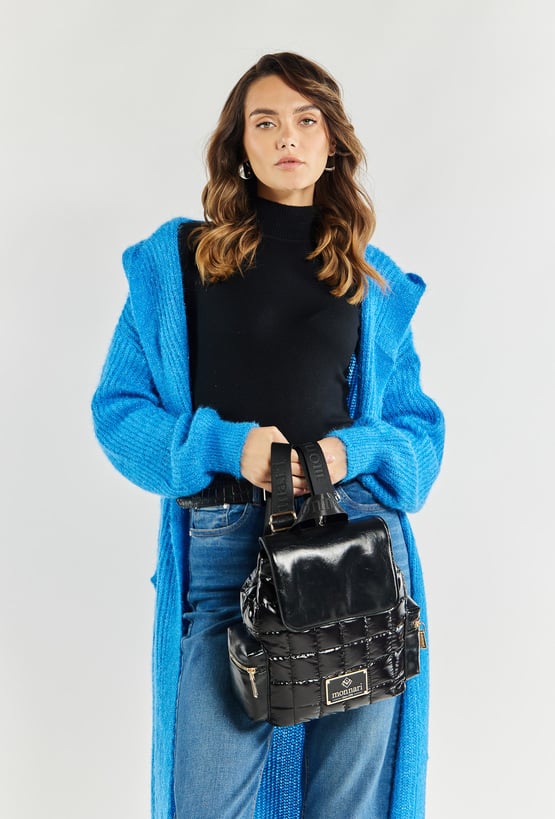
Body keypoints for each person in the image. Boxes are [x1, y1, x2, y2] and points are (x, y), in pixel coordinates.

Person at [92, 52, 444, 819]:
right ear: (240, 146)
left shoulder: (371, 279)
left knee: (347, 806)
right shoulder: (176, 265)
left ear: (332, 141)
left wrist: (351, 451)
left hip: (356, 554)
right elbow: (119, 412)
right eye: (265, 121)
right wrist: (226, 446)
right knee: (206, 800)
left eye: (306, 119)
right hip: (222, 551)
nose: (287, 136)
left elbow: (418, 443)